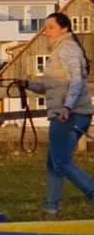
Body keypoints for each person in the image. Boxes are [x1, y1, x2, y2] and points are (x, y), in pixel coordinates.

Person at [18, 11, 94, 215]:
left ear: (64, 28)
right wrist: (28, 84)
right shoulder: (59, 50)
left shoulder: (67, 49)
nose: (46, 32)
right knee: (54, 162)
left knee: (61, 161)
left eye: (50, 28)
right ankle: (50, 206)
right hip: (69, 113)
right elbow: (50, 85)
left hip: (70, 114)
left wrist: (67, 107)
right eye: (45, 28)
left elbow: (76, 80)